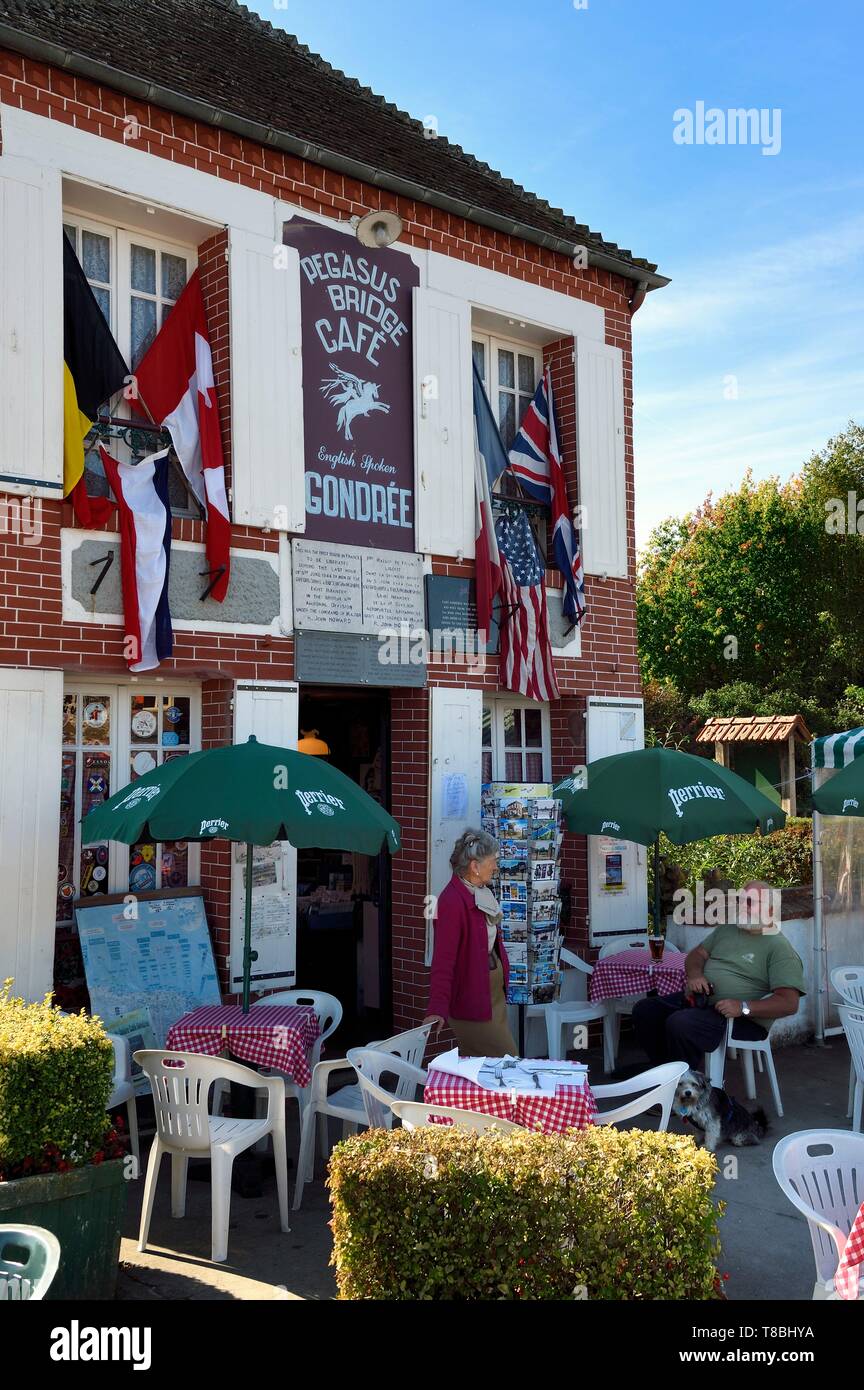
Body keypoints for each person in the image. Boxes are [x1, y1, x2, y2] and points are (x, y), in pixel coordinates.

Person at [632, 880, 805, 1071]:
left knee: (680, 1023)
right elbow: (696, 955)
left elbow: (789, 1003)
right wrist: (695, 975)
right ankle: (663, 1072)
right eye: (741, 900)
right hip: (703, 1002)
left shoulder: (779, 948)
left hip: (742, 1020)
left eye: (751, 902)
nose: (742, 906)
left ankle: (686, 1083)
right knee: (645, 1010)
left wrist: (743, 1007)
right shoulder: (729, 929)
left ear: (770, 911)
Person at [423, 828, 517, 1056]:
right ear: (474, 866)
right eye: (492, 861)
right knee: (507, 1061)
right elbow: (443, 962)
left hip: (491, 998)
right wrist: (437, 1007)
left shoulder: (479, 891)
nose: (496, 867)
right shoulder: (451, 902)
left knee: (487, 1067)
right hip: (473, 1001)